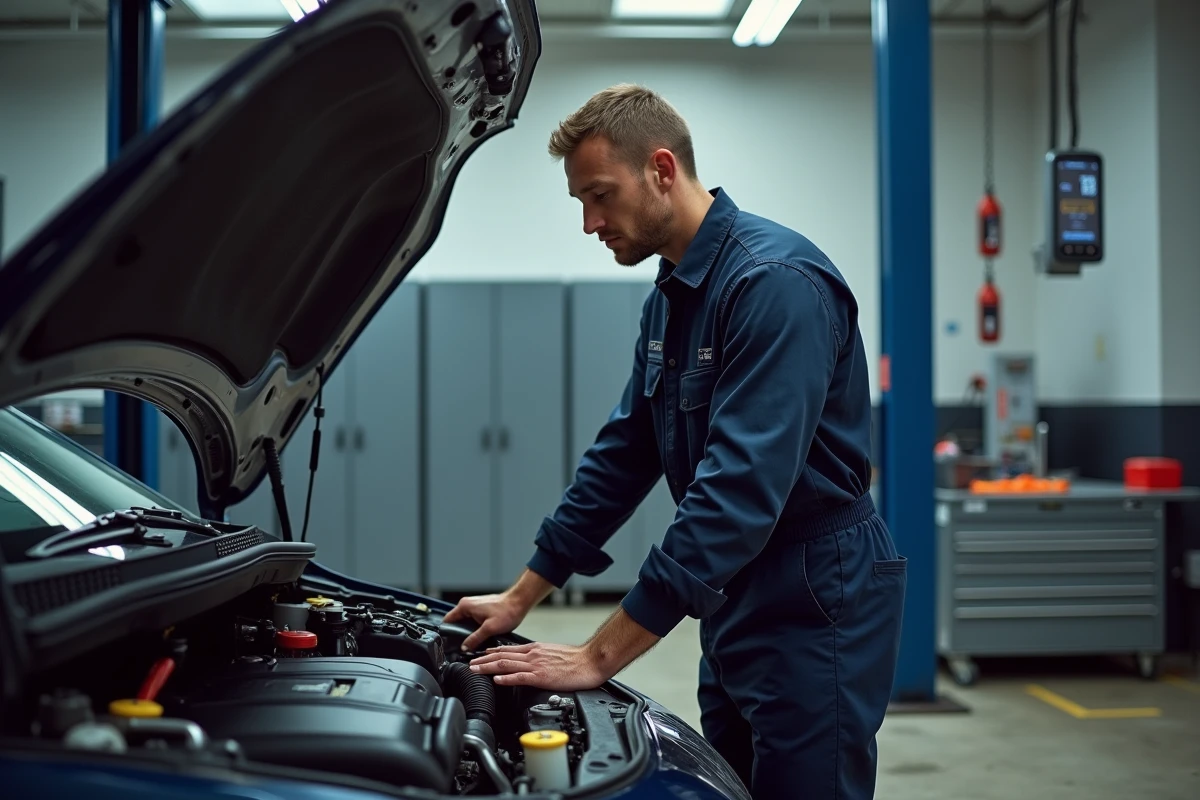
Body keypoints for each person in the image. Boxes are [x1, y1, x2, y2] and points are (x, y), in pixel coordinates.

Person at [443, 83, 906, 800]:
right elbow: (625, 454)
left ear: (662, 170)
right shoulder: (672, 297)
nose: (590, 222)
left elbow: (737, 495)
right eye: (580, 203)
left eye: (600, 195)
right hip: (737, 596)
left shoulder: (774, 284)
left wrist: (600, 654)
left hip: (815, 596)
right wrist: (521, 594)